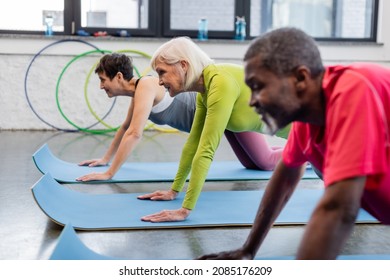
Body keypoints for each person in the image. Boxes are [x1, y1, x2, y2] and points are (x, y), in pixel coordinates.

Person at [198, 27, 390, 260]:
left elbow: (338, 208)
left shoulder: (355, 90)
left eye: (258, 87)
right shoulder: (307, 121)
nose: (252, 102)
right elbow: (284, 180)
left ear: (300, 78)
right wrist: (248, 250)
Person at [138, 37, 289, 222]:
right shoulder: (205, 91)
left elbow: (206, 150)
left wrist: (184, 210)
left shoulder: (220, 82)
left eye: (162, 72)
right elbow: (193, 143)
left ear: (183, 65)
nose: (159, 81)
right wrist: (174, 190)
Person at [77, 53, 284, 182]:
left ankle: (307, 150)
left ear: (119, 77)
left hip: (227, 108)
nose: (101, 86)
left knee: (265, 162)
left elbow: (134, 133)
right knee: (252, 164)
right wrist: (105, 159)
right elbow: (125, 127)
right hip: (222, 118)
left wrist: (110, 173)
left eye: (103, 80)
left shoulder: (147, 85)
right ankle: (297, 150)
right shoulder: (139, 93)